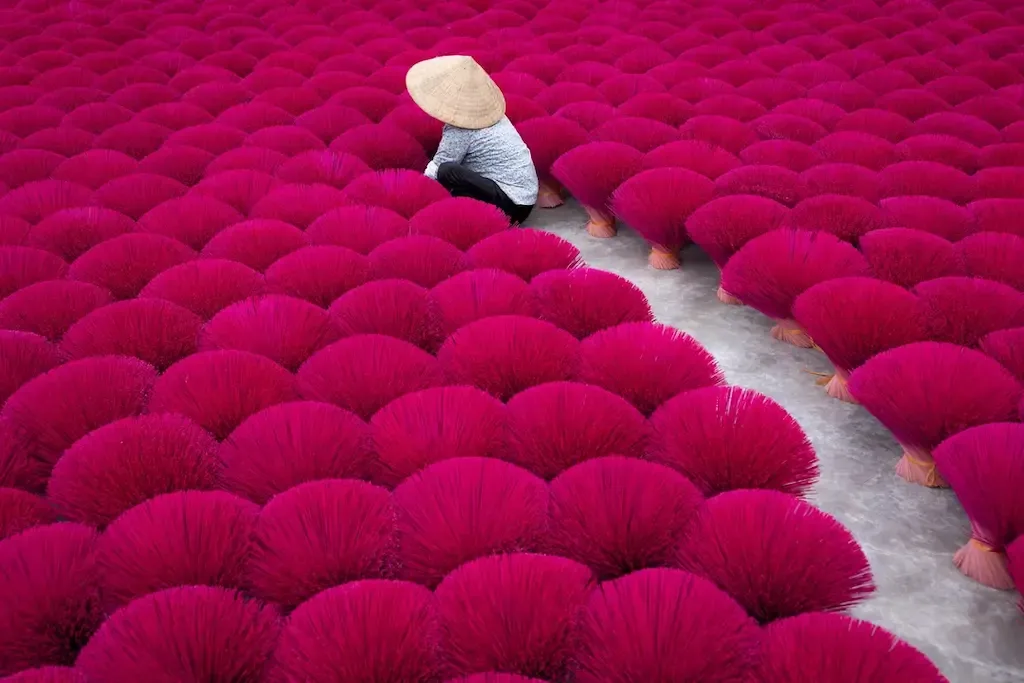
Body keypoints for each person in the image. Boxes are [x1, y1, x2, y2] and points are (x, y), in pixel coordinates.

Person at [406, 55, 538, 225]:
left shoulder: (460, 129)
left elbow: (437, 169)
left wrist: (413, 195)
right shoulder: (494, 115)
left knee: (446, 170)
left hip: (509, 206)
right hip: (525, 199)